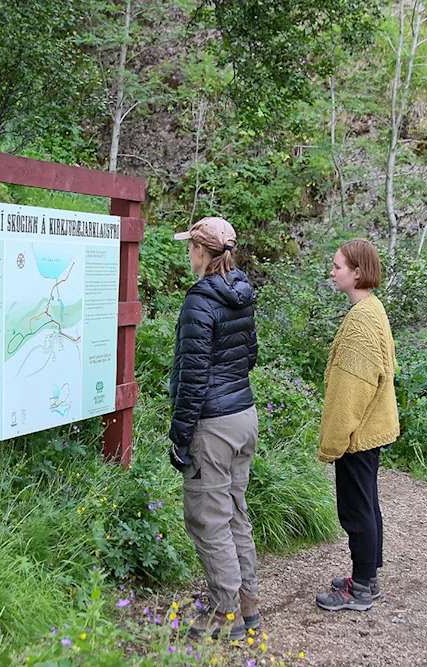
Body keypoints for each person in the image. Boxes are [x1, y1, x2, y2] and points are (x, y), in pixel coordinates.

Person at [168, 216, 260, 640]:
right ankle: (247, 605)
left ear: (202, 253)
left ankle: (227, 617)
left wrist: (180, 436)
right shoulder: (242, 293)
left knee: (209, 519)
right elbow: (250, 356)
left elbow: (192, 377)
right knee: (235, 512)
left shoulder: (199, 301)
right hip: (244, 415)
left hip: (213, 423)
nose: (188, 254)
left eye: (191, 247)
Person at [314, 239, 400, 612]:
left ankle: (362, 586)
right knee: (366, 503)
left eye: (337, 267)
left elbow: (351, 391)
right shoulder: (370, 310)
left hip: (358, 434)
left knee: (356, 508)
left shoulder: (361, 322)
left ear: (357, 272)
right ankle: (367, 576)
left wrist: (335, 441)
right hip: (369, 428)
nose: (332, 273)